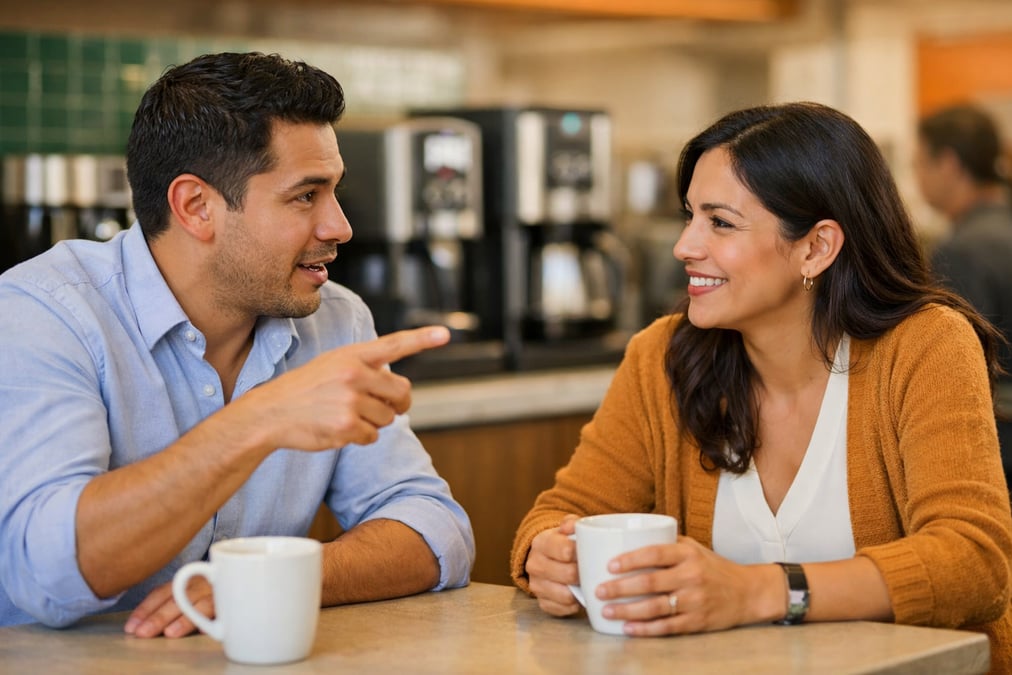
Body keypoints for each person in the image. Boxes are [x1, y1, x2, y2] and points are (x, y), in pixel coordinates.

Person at [510, 102, 1012, 671]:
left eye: (720, 222)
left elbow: (974, 562)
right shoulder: (661, 357)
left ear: (817, 247)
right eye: (690, 215)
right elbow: (563, 512)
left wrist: (757, 591)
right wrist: (548, 555)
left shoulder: (925, 346)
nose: (684, 246)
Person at [0, 52, 474, 634]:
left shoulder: (336, 319)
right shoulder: (44, 313)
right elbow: (44, 573)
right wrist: (257, 422)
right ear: (197, 207)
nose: (340, 227)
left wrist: (271, 582)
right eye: (306, 196)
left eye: (334, 192)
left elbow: (436, 529)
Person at [915, 103, 1012, 488]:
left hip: (1000, 448)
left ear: (950, 164)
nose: (917, 177)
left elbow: (961, 365)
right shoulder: (1001, 227)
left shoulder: (963, 251)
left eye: (920, 163)